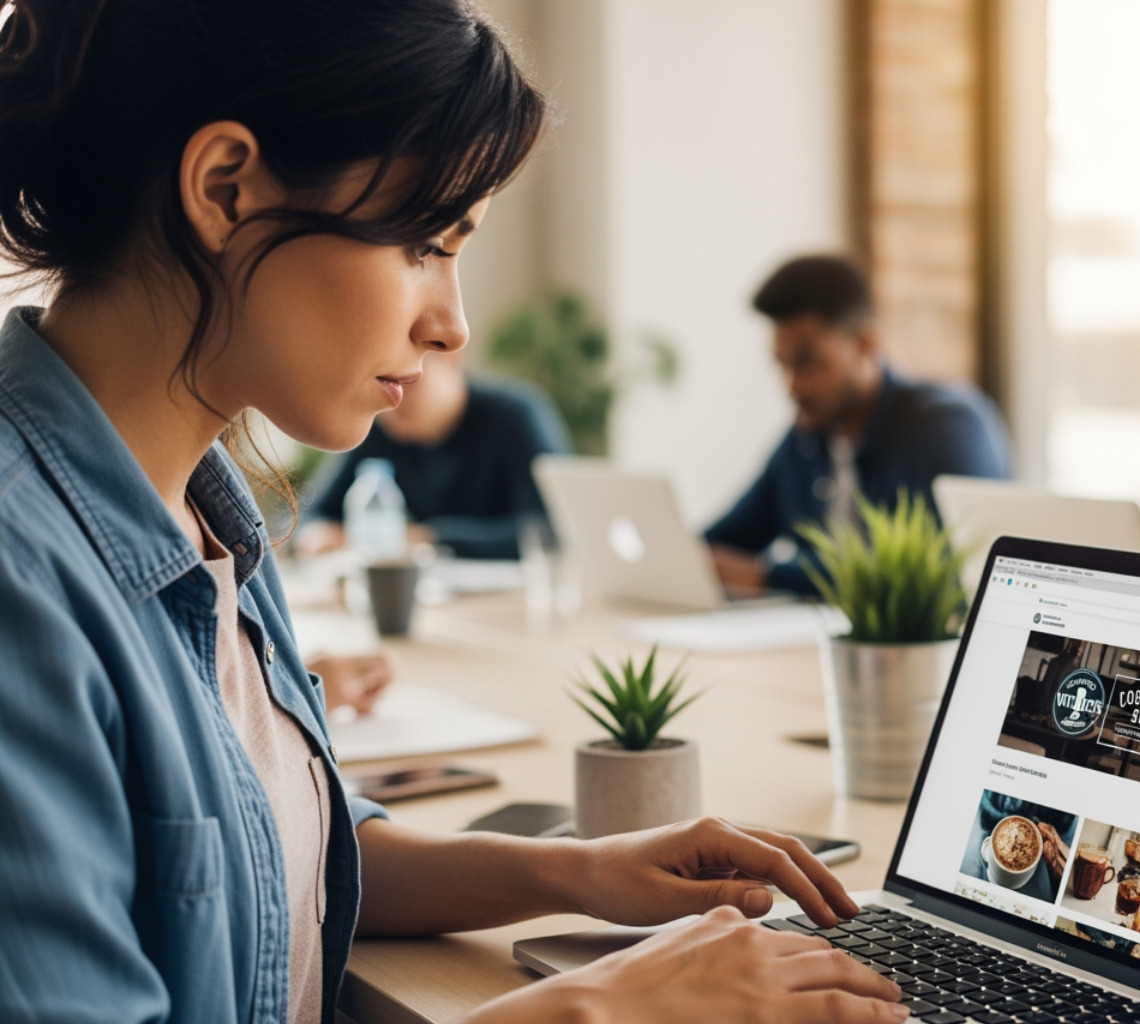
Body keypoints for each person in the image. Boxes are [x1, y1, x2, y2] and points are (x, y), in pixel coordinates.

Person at [0, 2, 905, 1022]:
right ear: (225, 190)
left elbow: (284, 849)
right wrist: (594, 1009)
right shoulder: (22, 583)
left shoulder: (207, 520)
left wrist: (578, 872)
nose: (455, 322)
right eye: (427, 242)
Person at [707, 255, 1014, 595]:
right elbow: (724, 540)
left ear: (866, 343)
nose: (793, 386)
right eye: (782, 365)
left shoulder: (947, 427)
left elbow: (930, 574)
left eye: (808, 362)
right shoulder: (805, 439)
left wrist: (767, 577)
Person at [298, 348, 570, 560]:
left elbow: (551, 529)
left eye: (406, 382)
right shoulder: (378, 430)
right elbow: (304, 515)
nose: (391, 402)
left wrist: (427, 538)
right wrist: (314, 535)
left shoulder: (517, 415)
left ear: (450, 360)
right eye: (377, 387)